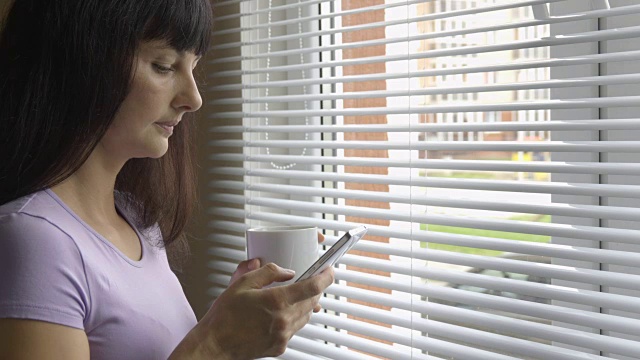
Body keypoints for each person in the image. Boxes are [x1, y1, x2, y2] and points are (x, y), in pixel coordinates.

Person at [0, 0, 334, 359]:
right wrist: (217, 344)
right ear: (79, 62)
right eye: (163, 66)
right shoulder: (32, 240)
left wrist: (231, 322)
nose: (194, 98)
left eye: (193, 68)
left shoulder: (137, 221)